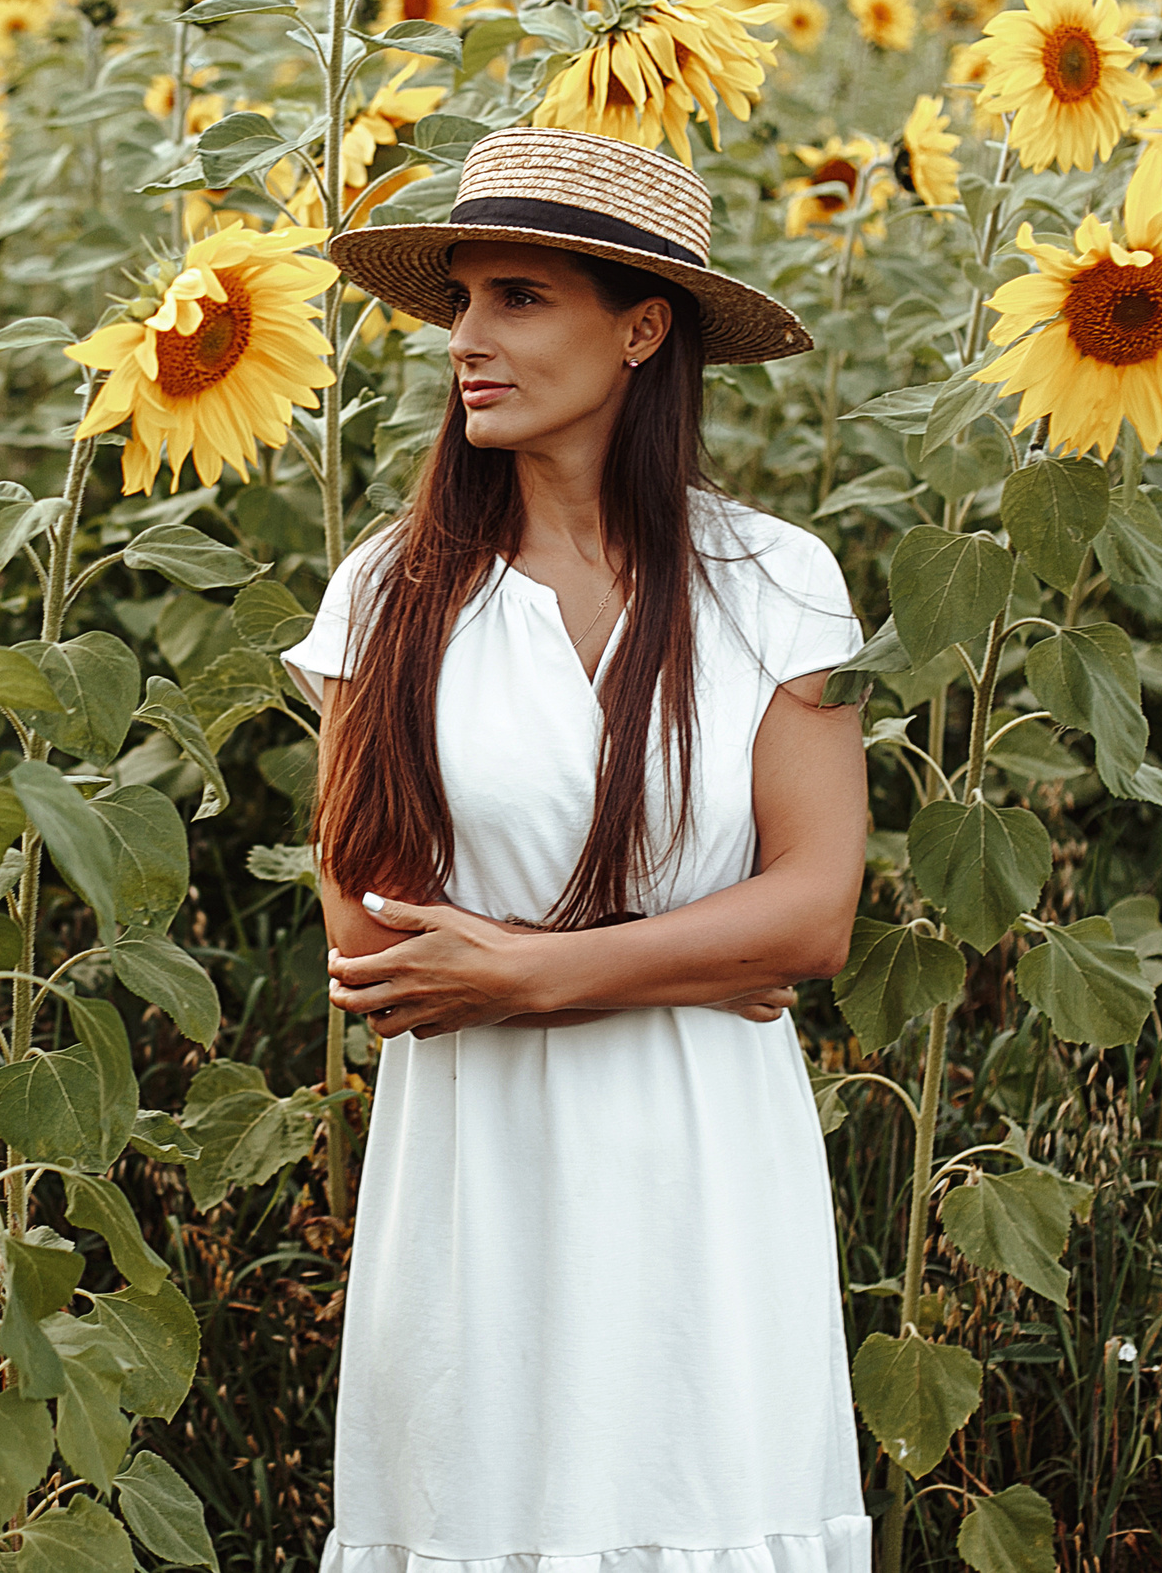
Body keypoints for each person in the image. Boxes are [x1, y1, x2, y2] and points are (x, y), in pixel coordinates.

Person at [280, 126, 874, 1573]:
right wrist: (679, 956)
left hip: (704, 1175)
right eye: (465, 300)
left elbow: (811, 917)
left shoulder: (772, 581)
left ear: (642, 329)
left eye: (519, 298)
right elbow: (366, 930)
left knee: (707, 1493)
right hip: (480, 1179)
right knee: (480, 1505)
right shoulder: (392, 592)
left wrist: (535, 976)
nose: (467, 341)